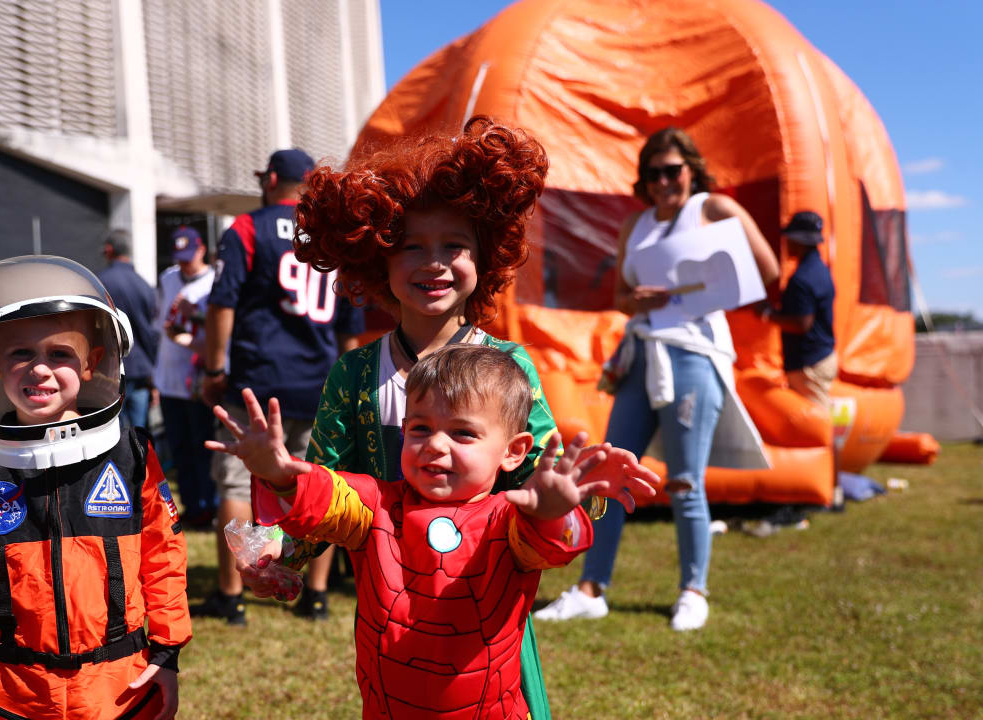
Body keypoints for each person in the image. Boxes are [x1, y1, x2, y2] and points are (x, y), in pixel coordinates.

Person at [248, 115, 655, 718]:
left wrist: (580, 489)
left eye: (453, 246)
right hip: (395, 621)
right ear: (377, 260)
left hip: (492, 620)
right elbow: (328, 491)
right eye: (411, 245)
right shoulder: (355, 375)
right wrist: (279, 552)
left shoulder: (508, 365)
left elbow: (539, 480)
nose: (432, 263)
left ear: (485, 256)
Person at [209, 345, 656, 719]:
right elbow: (329, 498)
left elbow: (549, 545)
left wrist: (554, 511)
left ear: (514, 451)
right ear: (403, 432)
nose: (436, 445)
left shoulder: (509, 518)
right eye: (421, 428)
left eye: (463, 433)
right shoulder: (376, 505)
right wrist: (283, 475)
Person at [0, 255, 190, 720]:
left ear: (92, 363)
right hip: (14, 691)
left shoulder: (130, 456)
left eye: (59, 354)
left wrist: (166, 654)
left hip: (120, 685)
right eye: (20, 354)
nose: (39, 369)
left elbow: (163, 555)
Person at [535, 126, 779, 631]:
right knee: (608, 472)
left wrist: (712, 286)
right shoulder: (636, 225)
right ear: (644, 180)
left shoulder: (713, 210)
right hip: (643, 352)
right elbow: (622, 297)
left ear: (691, 169)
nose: (665, 181)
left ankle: (693, 589)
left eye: (673, 170)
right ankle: (591, 587)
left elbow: (769, 268)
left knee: (686, 479)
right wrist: (637, 301)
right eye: (654, 173)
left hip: (693, 352)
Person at [197, 148, 364, 626]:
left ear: (272, 179)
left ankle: (233, 596)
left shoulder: (249, 229)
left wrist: (213, 370)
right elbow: (349, 323)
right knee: (321, 481)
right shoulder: (327, 238)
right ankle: (315, 594)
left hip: (257, 377)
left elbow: (223, 302)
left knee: (234, 479)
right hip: (318, 380)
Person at [154, 226, 217, 528]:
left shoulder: (213, 281)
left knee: (201, 446)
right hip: (169, 378)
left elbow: (220, 328)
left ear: (202, 250)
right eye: (180, 259)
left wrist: (195, 316)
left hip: (198, 378)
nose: (184, 265)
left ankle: (209, 505)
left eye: (189, 258)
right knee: (180, 448)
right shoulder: (168, 278)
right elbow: (162, 322)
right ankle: (193, 506)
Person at [761, 211, 837, 411]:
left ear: (799, 241)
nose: (786, 244)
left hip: (809, 363)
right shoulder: (820, 270)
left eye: (789, 238)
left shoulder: (802, 278)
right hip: (821, 357)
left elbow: (802, 323)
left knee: (816, 423)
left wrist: (769, 315)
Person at [99, 228, 159, 430]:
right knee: (140, 430)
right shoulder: (144, 285)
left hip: (111, 369)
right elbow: (151, 332)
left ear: (109, 250)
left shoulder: (100, 283)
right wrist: (153, 367)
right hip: (141, 368)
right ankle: (143, 462)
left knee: (116, 432)